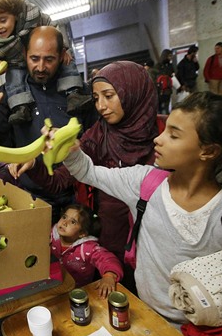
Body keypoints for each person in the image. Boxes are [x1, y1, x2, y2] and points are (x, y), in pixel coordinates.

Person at [57, 92, 222, 336]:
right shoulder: (145, 183)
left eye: (174, 134)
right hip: (143, 319)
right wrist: (69, 150)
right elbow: (89, 172)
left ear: (209, 151)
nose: (158, 139)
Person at [11, 61, 159, 292]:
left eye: (109, 96)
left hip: (150, 243)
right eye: (97, 98)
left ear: (133, 93)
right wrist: (35, 166)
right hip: (105, 235)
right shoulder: (98, 134)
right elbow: (61, 179)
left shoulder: (165, 139)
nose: (101, 106)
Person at [0, 26, 97, 221]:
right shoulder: (9, 96)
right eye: (34, 59)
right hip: (31, 196)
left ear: (62, 55)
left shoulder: (78, 92)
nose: (40, 67)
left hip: (78, 194)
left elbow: (94, 137)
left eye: (49, 59)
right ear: (24, 54)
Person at [0, 0, 91, 125]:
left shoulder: (32, 17)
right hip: (14, 63)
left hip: (48, 51)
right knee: (14, 77)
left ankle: (74, 94)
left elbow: (52, 26)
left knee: (67, 61)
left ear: (16, 15)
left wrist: (64, 48)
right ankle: (21, 108)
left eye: (3, 20)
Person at [50, 204, 122, 297]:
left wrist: (109, 276)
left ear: (82, 233)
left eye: (73, 222)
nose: (64, 222)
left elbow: (108, 259)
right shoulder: (52, 234)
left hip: (78, 290)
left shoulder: (88, 248)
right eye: (64, 217)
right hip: (54, 284)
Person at [154, 49, 175, 114]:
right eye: (169, 56)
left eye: (171, 56)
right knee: (160, 109)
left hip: (168, 90)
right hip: (160, 91)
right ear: (165, 56)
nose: (171, 58)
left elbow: (172, 74)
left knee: (166, 108)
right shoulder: (158, 66)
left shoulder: (170, 65)